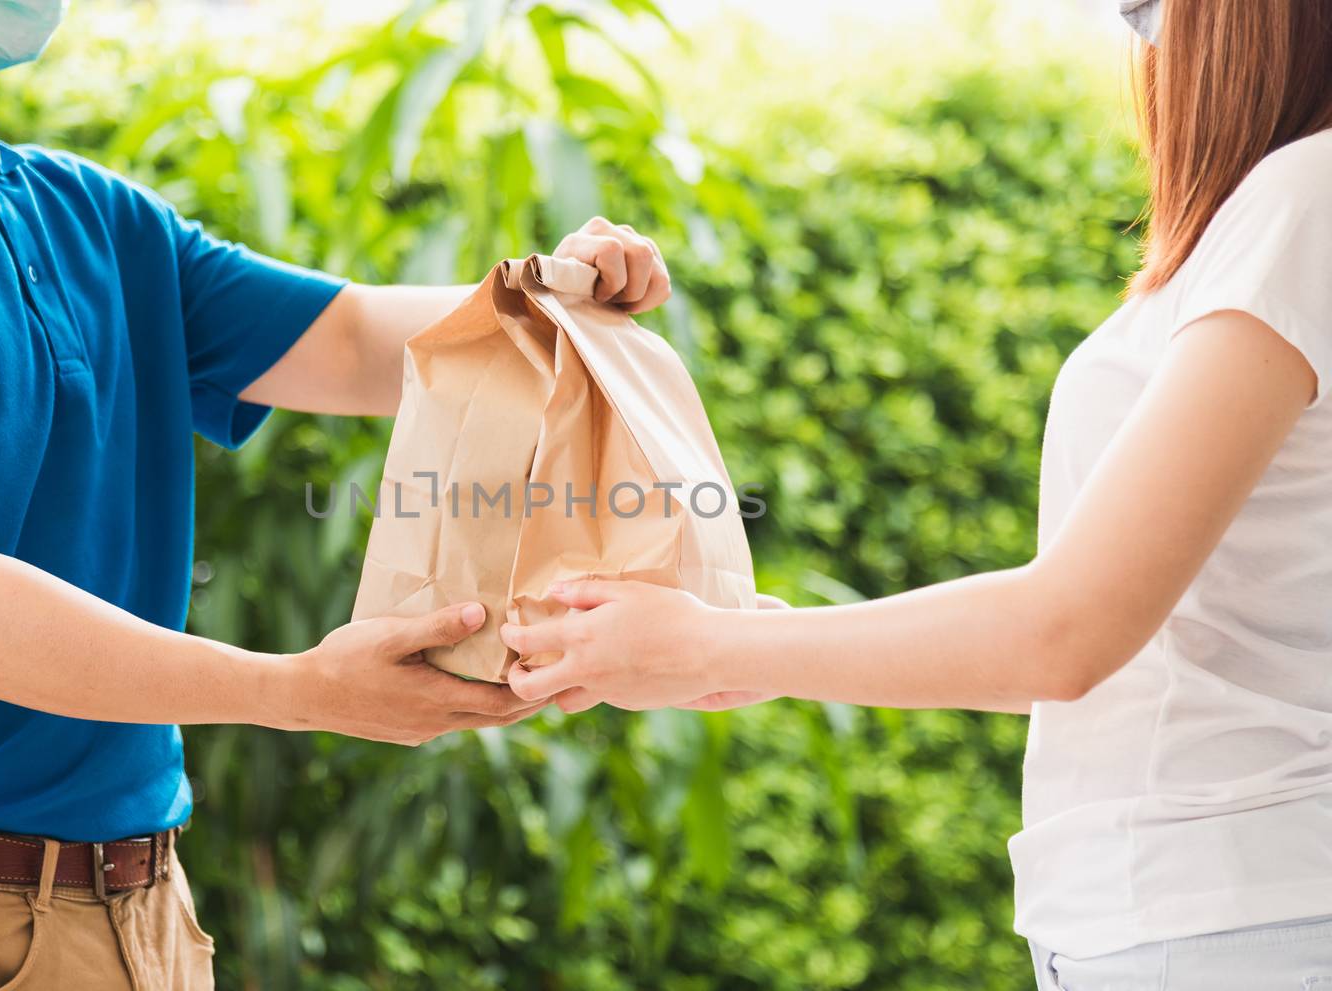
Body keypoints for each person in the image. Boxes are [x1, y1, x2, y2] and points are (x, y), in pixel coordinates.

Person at [0, 0, 671, 987]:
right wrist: (295, 691)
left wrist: (552, 298)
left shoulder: (84, 212)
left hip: (141, 912)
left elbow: (351, 342)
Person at [500, 0, 1332, 987]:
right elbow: (1124, 627)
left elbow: (1066, 630)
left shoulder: (1305, 196)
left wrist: (700, 643)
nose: (1139, 41)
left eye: (1147, 11)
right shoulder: (1285, 206)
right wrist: (753, 647)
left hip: (1229, 914)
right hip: (1194, 909)